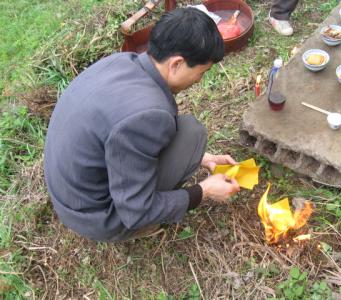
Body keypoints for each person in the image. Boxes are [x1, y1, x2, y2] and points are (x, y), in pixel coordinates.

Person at [44, 7, 241, 242]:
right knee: (191, 133)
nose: (199, 80)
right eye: (202, 72)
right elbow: (136, 211)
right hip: (99, 217)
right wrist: (203, 191)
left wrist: (203, 159)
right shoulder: (147, 116)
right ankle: (127, 233)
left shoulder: (121, 61)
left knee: (185, 135)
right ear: (177, 64)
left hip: (72, 196)